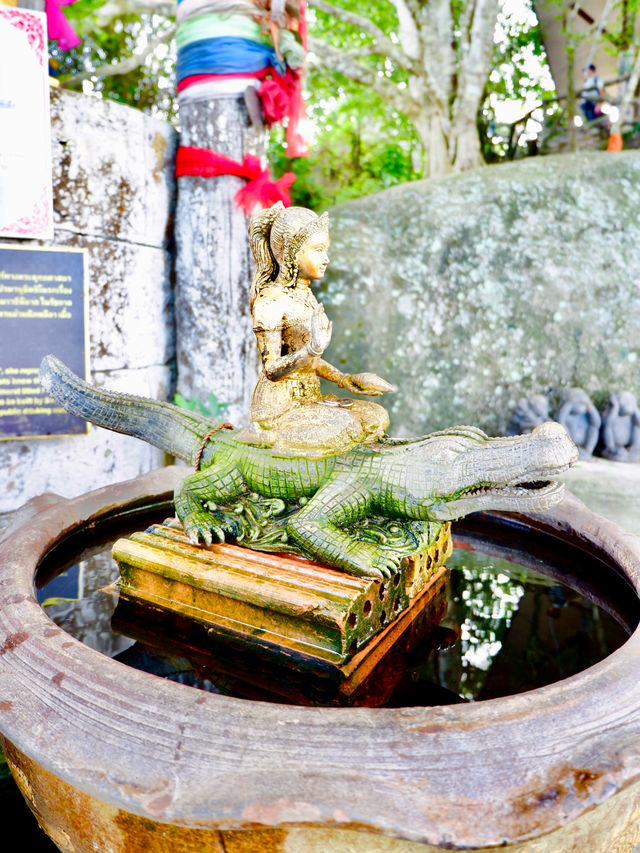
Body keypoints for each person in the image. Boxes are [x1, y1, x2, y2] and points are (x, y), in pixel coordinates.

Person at [243, 202, 395, 454]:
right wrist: (310, 350)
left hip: (309, 399)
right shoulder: (270, 301)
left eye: (326, 250)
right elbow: (271, 370)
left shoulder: (306, 296)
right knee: (346, 429)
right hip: (278, 407)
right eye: (318, 250)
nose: (326, 259)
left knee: (375, 416)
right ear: (291, 252)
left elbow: (310, 362)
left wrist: (344, 379)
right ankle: (267, 436)